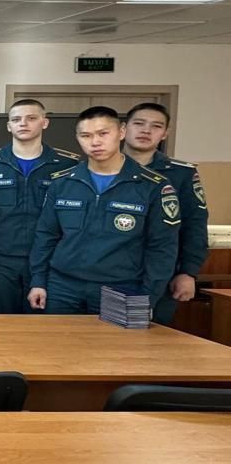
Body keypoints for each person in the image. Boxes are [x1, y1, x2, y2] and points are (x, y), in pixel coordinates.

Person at [29, 106, 180, 314]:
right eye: (86, 135)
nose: (95, 142)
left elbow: (162, 248)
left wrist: (148, 296)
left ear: (121, 132)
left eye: (103, 133)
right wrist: (38, 281)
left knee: (114, 338)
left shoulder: (152, 186)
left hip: (121, 287)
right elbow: (46, 236)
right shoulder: (62, 182)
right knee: (57, 336)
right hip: (63, 286)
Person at [0, 99, 78, 314]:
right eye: (16, 119)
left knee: (39, 322)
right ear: (9, 126)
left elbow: (70, 218)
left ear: (44, 122)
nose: (23, 123)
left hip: (48, 259)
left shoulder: (67, 165)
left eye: (31, 118)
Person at [123, 102, 209, 325]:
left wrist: (188, 272)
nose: (146, 130)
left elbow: (194, 225)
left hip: (160, 274)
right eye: (139, 123)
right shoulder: (100, 168)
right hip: (109, 270)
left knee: (147, 336)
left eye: (156, 126)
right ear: (124, 128)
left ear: (165, 133)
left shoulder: (181, 173)